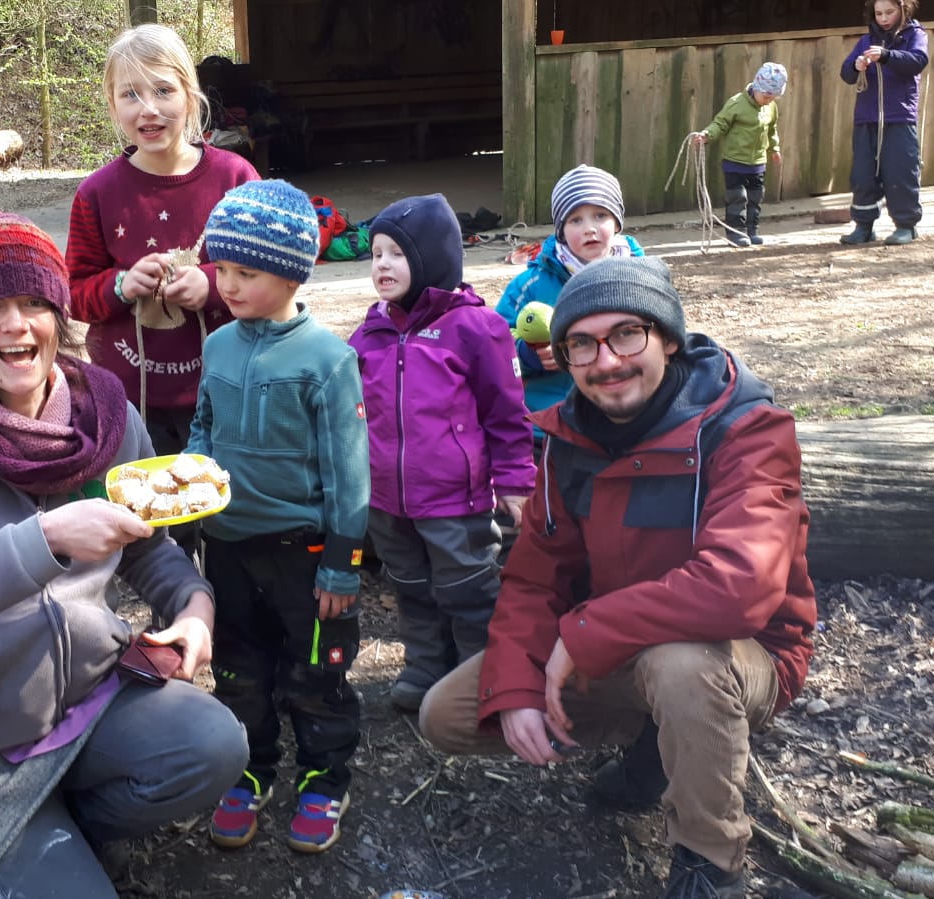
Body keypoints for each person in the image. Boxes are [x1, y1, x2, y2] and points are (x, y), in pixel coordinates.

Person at [0, 207, 247, 899]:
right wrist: (45, 540)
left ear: (59, 315)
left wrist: (193, 605)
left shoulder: (105, 415)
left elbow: (151, 547)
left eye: (33, 303)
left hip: (90, 700)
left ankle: (50, 839)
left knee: (214, 746)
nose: (15, 326)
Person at [420, 257, 817, 899]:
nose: (606, 362)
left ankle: (710, 862)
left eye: (627, 335)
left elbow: (741, 586)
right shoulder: (568, 438)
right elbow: (534, 578)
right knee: (450, 714)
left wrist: (583, 636)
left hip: (745, 653)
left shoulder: (744, 427)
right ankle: (658, 745)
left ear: (667, 338)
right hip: (617, 645)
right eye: (582, 344)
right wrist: (517, 684)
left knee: (681, 667)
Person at [189, 179, 370, 854]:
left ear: (292, 273)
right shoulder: (217, 346)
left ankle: (324, 778)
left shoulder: (328, 360)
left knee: (316, 670)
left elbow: (349, 473)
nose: (228, 285)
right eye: (221, 269)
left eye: (247, 272)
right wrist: (189, 479)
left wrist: (343, 564)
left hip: (304, 552)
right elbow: (203, 426)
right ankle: (249, 768)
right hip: (228, 544)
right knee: (239, 667)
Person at [347, 193, 536, 714]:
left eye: (397, 253)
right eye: (376, 254)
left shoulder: (475, 328)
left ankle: (481, 675)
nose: (382, 265)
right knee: (409, 584)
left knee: (467, 587)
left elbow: (506, 412)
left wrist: (516, 481)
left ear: (432, 257)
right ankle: (425, 665)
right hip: (387, 499)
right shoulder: (370, 333)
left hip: (456, 498)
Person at [65, 22, 258, 482]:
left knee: (226, 510)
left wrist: (211, 285)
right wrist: (121, 285)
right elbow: (73, 294)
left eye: (163, 90)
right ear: (112, 104)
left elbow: (272, 275)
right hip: (130, 406)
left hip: (229, 394)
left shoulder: (235, 179)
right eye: (130, 94)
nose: (148, 108)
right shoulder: (97, 193)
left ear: (190, 95)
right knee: (148, 516)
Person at [495, 164, 644, 416]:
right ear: (561, 232)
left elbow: (666, 336)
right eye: (575, 220)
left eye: (600, 215)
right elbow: (495, 342)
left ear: (617, 222)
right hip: (554, 415)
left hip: (626, 411)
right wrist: (528, 355)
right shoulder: (532, 284)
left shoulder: (641, 275)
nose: (589, 228)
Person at [839, 0, 929, 246]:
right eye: (879, 13)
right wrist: (856, 65)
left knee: (901, 172)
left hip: (899, 118)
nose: (884, 18)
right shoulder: (866, 41)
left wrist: (887, 55)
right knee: (863, 175)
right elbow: (846, 74)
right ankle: (864, 227)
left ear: (903, 9)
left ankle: (906, 226)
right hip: (866, 119)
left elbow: (917, 61)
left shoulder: (915, 36)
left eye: (889, 12)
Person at [691, 62, 787, 247]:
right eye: (766, 96)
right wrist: (707, 135)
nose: (769, 100)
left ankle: (752, 229)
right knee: (737, 197)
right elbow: (720, 123)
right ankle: (736, 232)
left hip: (757, 163)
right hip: (735, 161)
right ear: (757, 87)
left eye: (773, 97)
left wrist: (774, 148)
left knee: (755, 197)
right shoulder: (736, 103)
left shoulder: (771, 107)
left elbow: (771, 129)